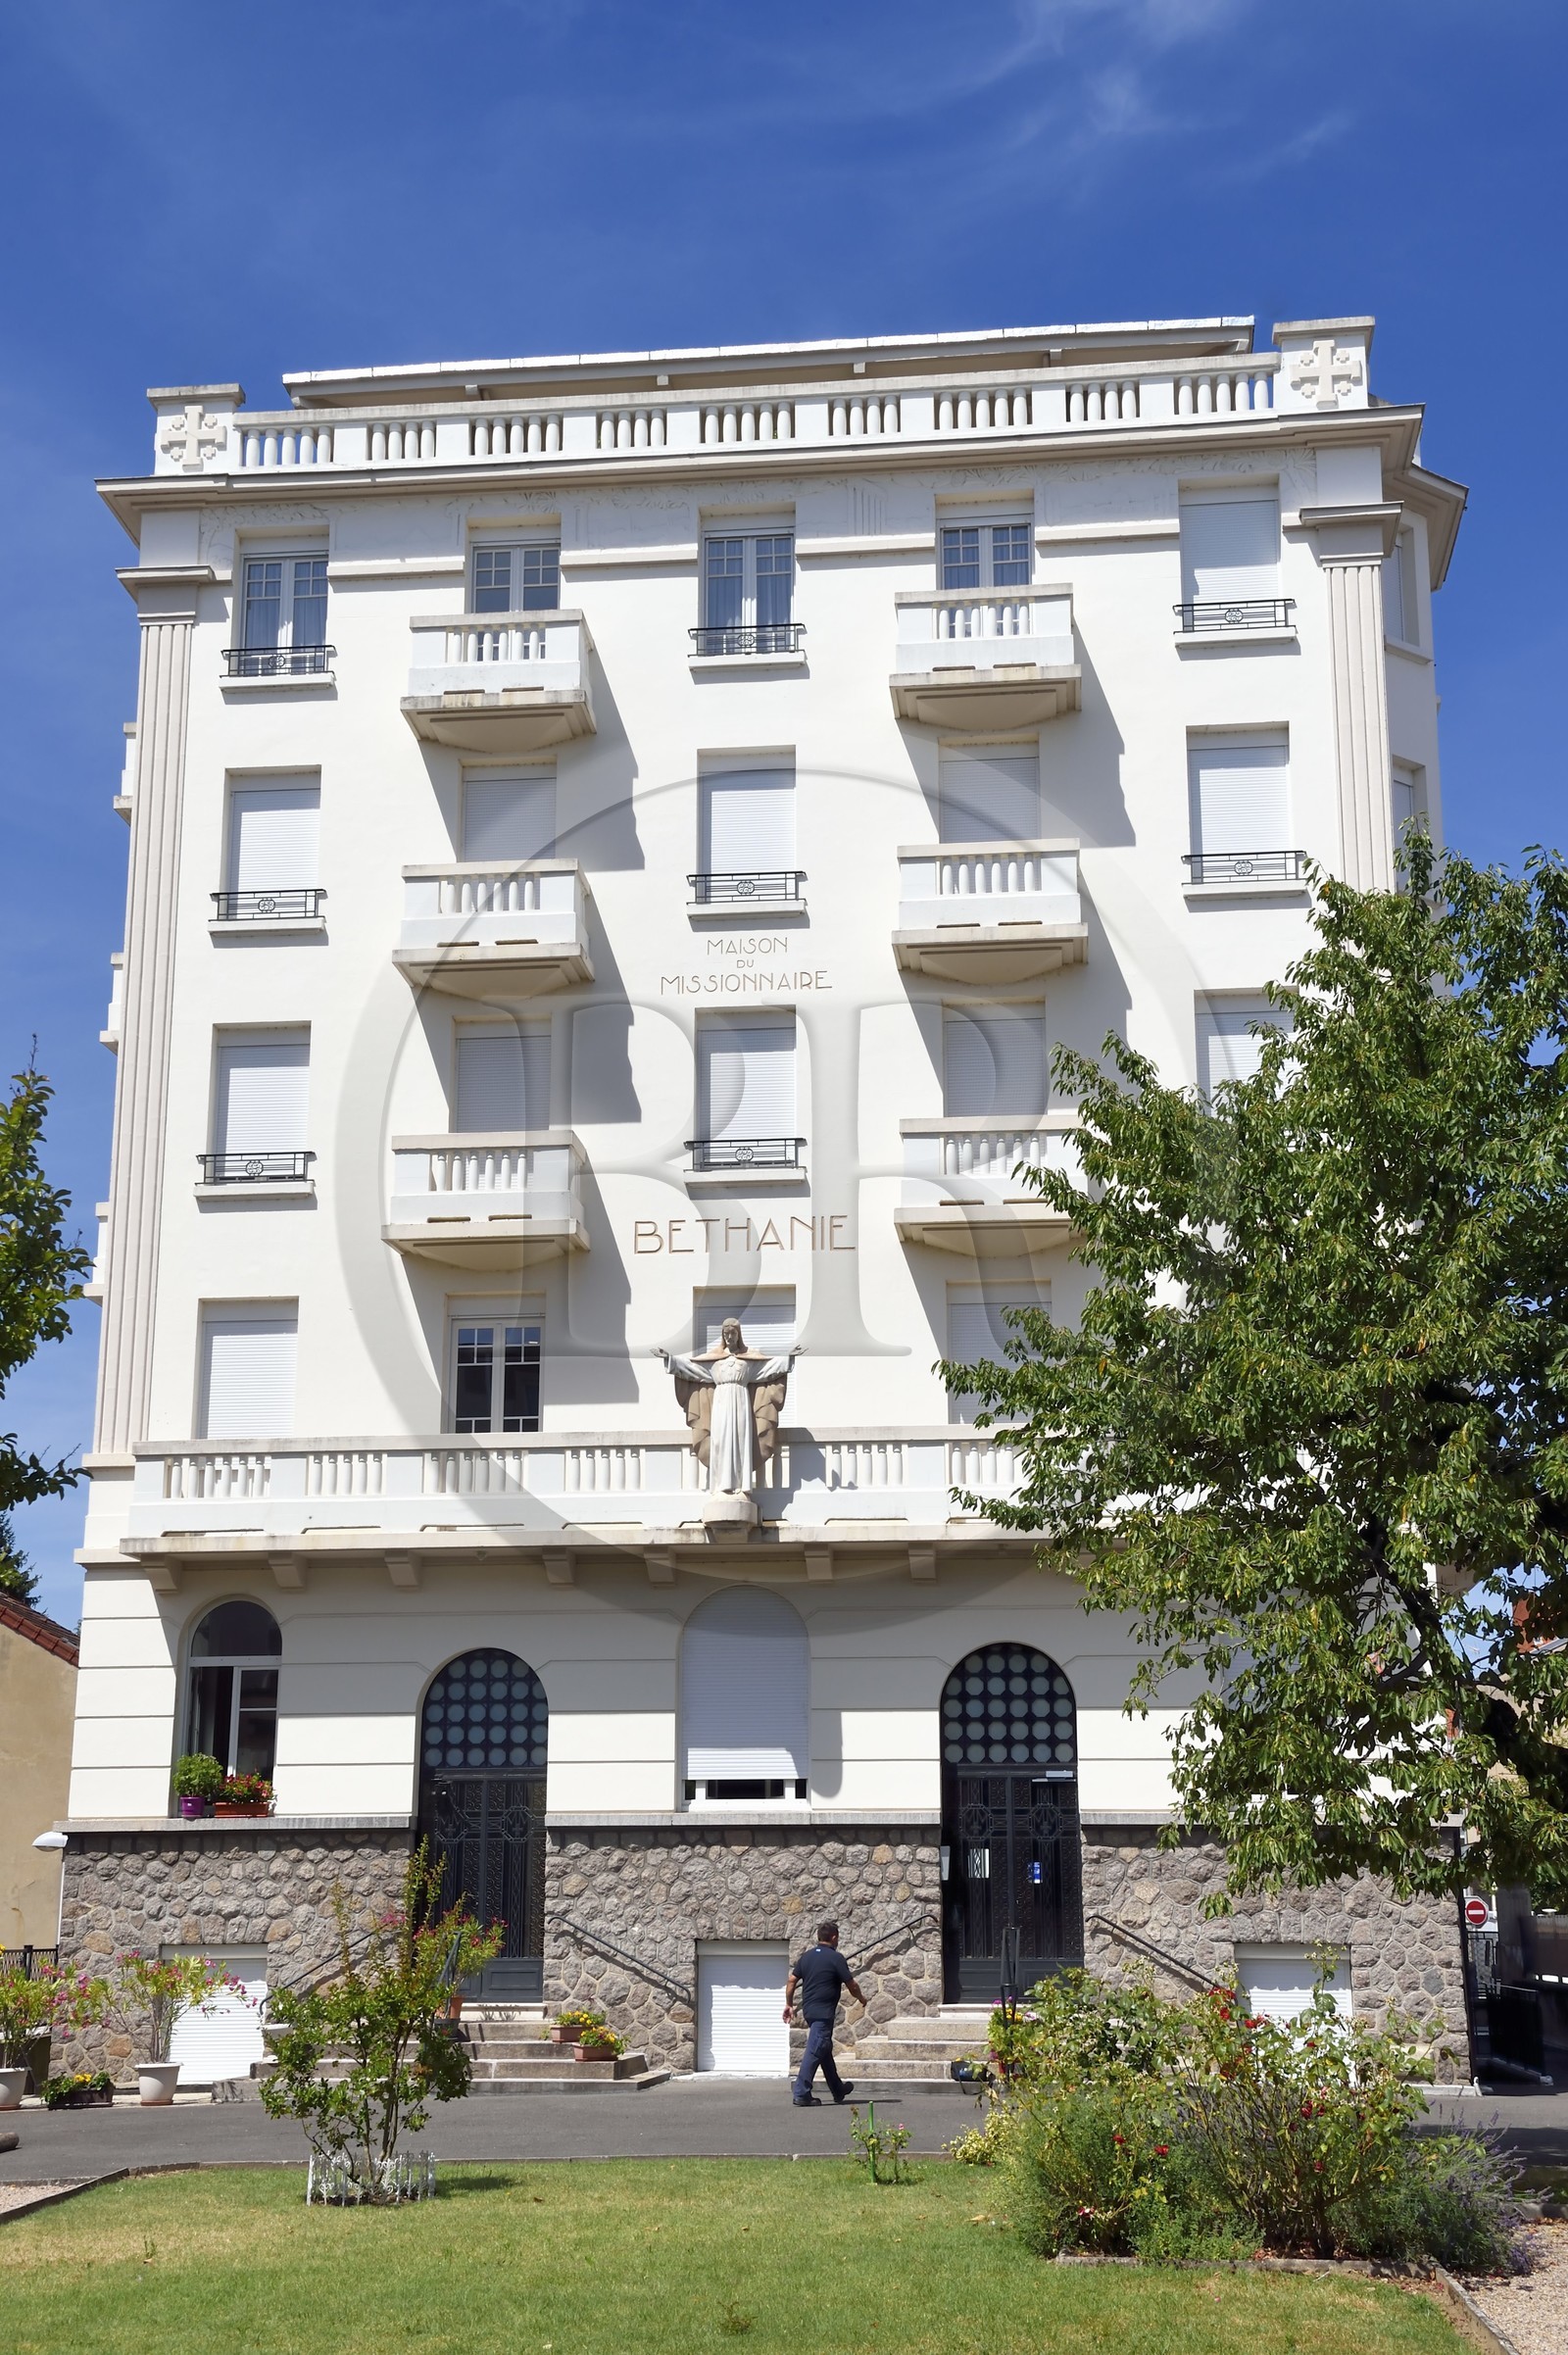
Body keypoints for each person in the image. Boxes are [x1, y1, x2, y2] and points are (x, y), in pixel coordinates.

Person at [783, 1918, 863, 2106]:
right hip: (823, 2013)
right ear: (834, 1938)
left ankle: (837, 2089)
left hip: (810, 2011)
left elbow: (791, 1981)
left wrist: (789, 2004)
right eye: (838, 1938)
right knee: (816, 2049)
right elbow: (852, 1984)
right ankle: (802, 2093)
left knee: (823, 2048)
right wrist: (861, 1998)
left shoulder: (807, 1957)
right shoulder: (836, 1958)